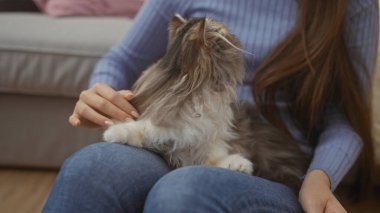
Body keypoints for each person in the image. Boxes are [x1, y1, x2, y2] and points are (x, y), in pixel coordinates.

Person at [42, 0, 379, 212]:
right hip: (171, 140)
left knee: (184, 192)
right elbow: (122, 60)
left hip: (270, 167)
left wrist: (319, 179)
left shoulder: (352, 5)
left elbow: (346, 117)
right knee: (90, 169)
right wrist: (102, 93)